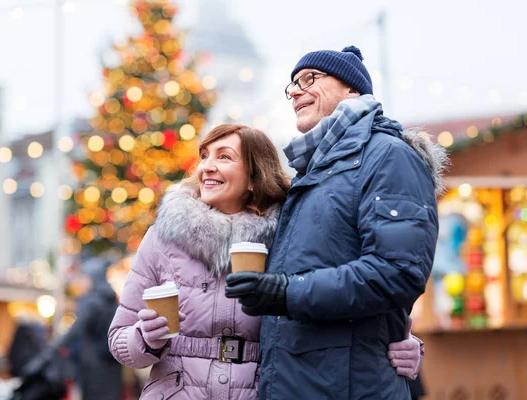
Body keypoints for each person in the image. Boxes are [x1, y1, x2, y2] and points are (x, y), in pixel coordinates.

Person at [108, 124, 422, 399]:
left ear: (253, 178)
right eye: (204, 156)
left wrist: (404, 343)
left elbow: (335, 298)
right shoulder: (163, 238)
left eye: (224, 156)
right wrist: (144, 339)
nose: (206, 166)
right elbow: (119, 340)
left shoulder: (291, 240)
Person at [225, 46, 447, 399]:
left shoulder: (388, 156)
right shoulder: (311, 172)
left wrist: (286, 291)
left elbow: (397, 272)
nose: (295, 91)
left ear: (351, 90)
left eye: (309, 79)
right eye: (292, 85)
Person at [57, 256, 123, 400]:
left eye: (85, 277)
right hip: (112, 365)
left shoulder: (92, 301)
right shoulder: (112, 300)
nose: (83, 281)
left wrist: (55, 347)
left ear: (93, 277)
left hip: (94, 367)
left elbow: (76, 329)